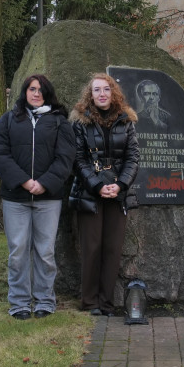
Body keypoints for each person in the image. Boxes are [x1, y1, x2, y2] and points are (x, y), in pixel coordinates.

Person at [0, 75, 75, 320]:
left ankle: (44, 301)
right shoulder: (9, 119)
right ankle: (19, 302)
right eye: (32, 89)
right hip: (15, 198)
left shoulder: (60, 122)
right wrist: (24, 181)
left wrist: (44, 183)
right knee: (18, 251)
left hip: (48, 199)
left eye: (41, 90)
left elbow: (65, 157)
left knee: (45, 252)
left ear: (48, 94)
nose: (36, 93)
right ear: (25, 91)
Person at [69, 73, 140, 315]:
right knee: (92, 248)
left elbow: (133, 157)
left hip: (118, 193)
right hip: (90, 193)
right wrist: (98, 185)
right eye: (97, 90)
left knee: (112, 248)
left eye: (106, 89)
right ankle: (90, 302)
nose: (102, 94)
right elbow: (78, 159)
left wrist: (120, 185)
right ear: (90, 94)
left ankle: (107, 302)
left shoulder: (125, 120)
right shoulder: (80, 122)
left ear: (113, 93)